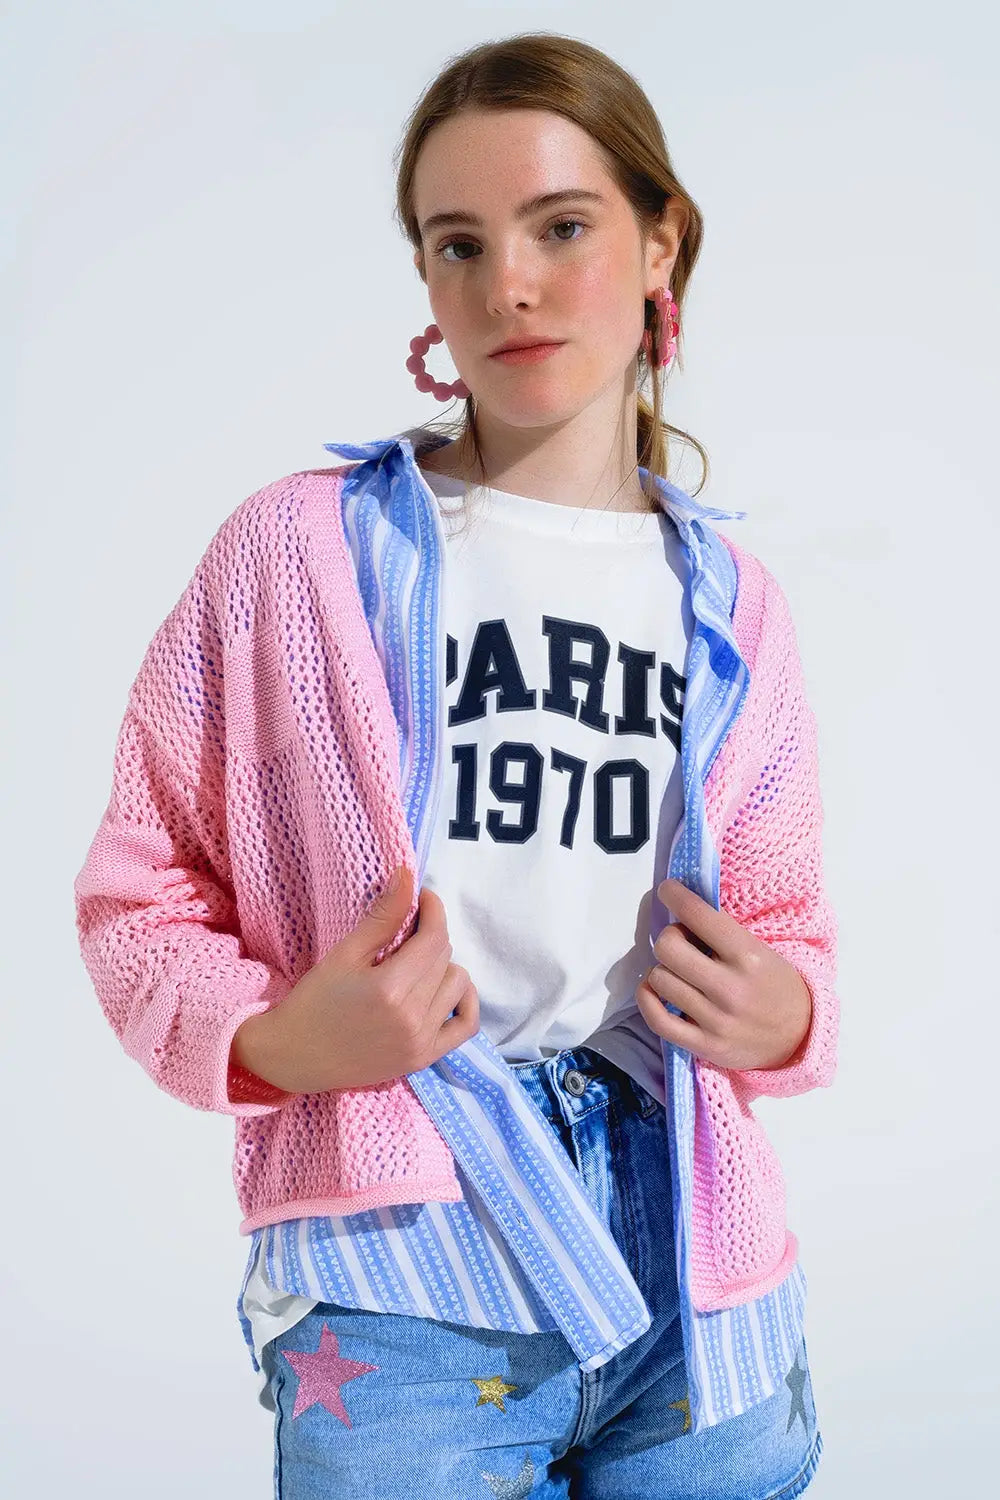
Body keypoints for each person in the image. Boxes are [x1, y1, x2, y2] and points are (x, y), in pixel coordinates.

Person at [73, 31, 839, 1498]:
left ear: (662, 243)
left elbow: (789, 921)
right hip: (402, 1256)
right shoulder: (296, 556)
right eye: (459, 244)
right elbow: (139, 886)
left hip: (699, 1265)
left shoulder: (733, 608)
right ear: (425, 280)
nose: (510, 286)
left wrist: (789, 1014)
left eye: (563, 228)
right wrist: (272, 1043)